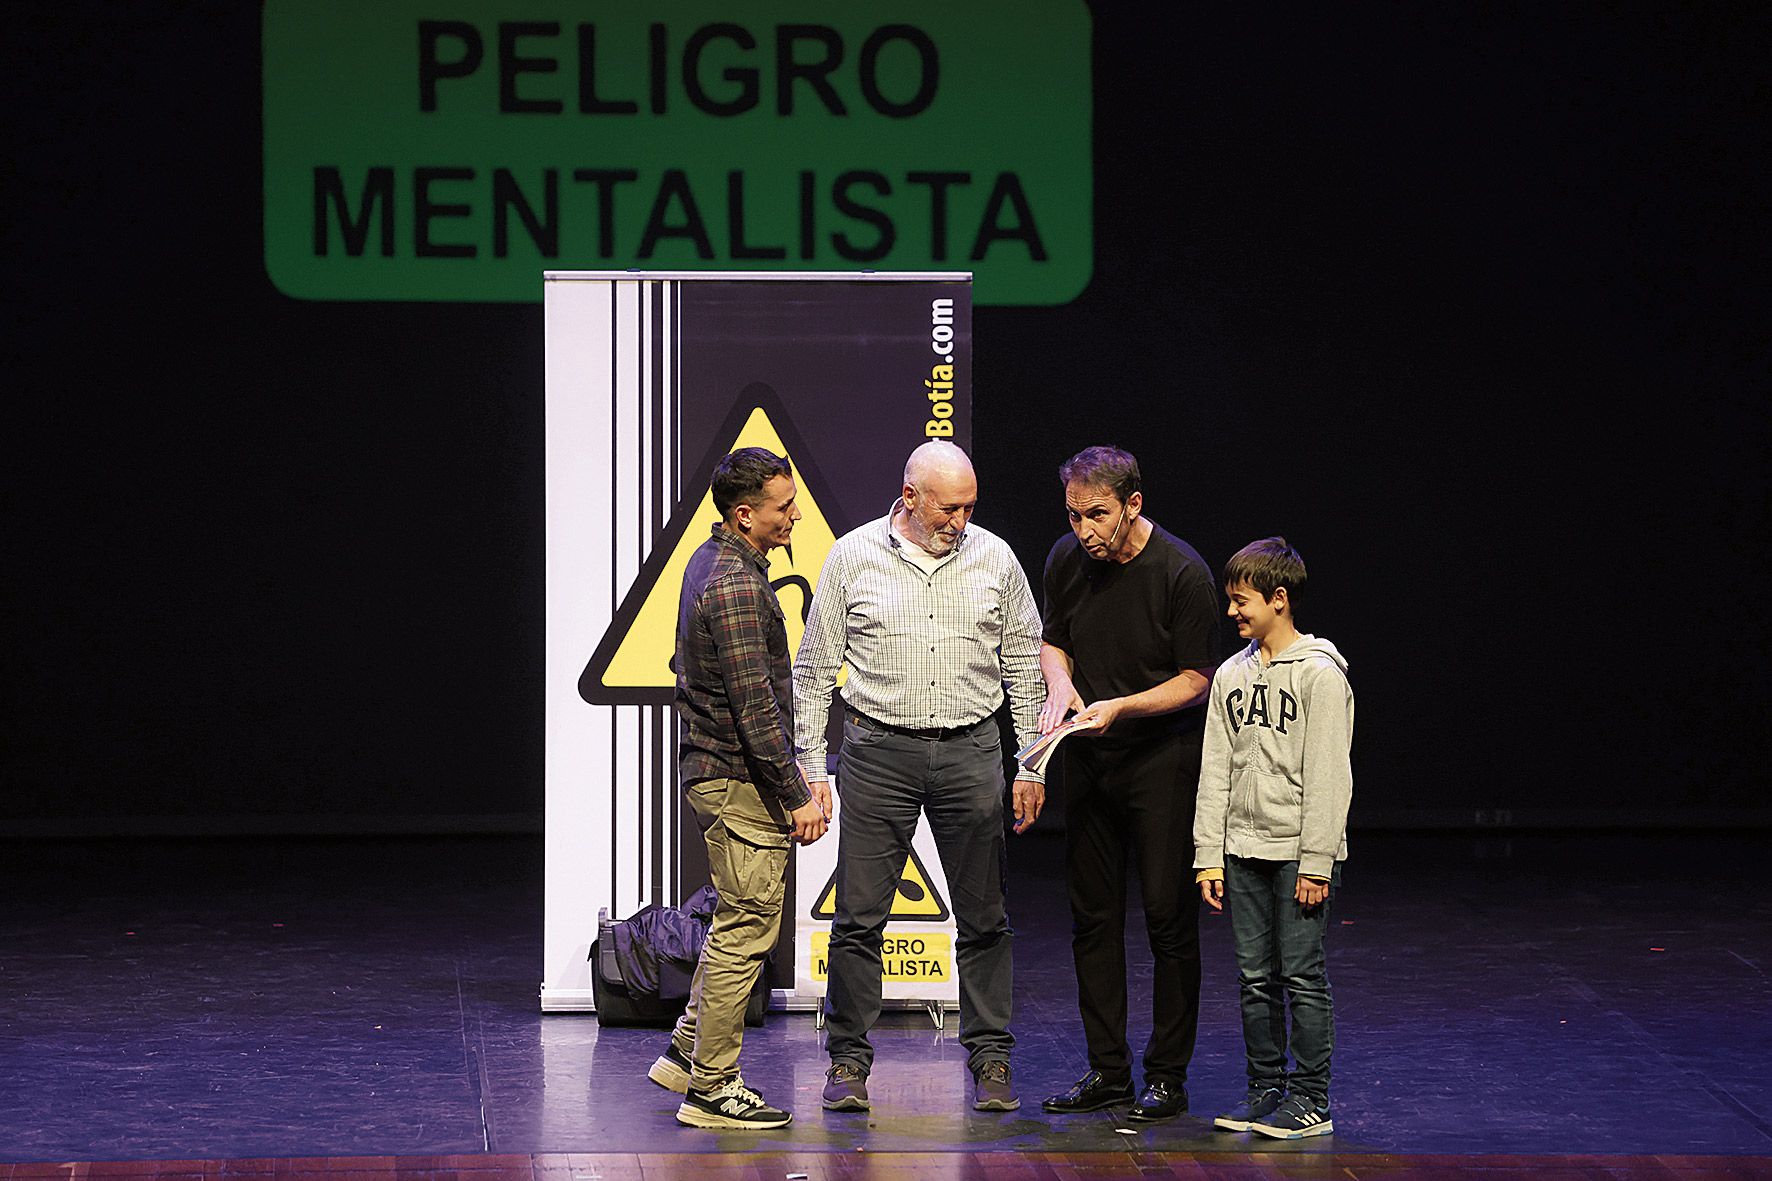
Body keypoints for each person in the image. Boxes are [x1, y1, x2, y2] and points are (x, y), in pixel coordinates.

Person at [793, 440, 1046, 1114]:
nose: (960, 518)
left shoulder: (996, 558)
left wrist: (1031, 762)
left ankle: (991, 1060)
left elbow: (1024, 665)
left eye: (969, 505)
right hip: (879, 752)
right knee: (858, 918)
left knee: (985, 917)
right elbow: (815, 670)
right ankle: (847, 1062)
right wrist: (812, 765)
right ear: (909, 496)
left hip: (971, 750)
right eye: (948, 505)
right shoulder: (852, 555)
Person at [647, 447, 832, 1130]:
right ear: (744, 512)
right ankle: (713, 1088)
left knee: (737, 917)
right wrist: (797, 795)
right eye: (784, 506)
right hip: (735, 778)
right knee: (748, 925)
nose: (796, 515)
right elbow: (755, 709)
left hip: (722, 771)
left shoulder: (712, 560)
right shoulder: (734, 583)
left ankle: (688, 1049)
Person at [1036, 446, 1223, 1122]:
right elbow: (1053, 639)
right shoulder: (1065, 559)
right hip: (1089, 757)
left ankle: (1167, 1074)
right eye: (1074, 514)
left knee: (1169, 919)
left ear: (1133, 505)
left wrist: (1121, 706)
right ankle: (1107, 1071)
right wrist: (1061, 685)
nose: (1084, 529)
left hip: (1159, 761)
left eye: (1098, 514)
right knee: (1093, 918)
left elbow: (1196, 677)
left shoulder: (1181, 570)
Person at [1193, 537, 1353, 1140]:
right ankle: (1266, 1089)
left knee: (1302, 976)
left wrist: (1316, 862)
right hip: (1243, 851)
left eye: (1241, 601)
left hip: (1297, 855)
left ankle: (1311, 1098)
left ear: (1278, 600)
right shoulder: (1231, 675)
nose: (1231, 612)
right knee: (1254, 977)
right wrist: (1208, 855)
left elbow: (1330, 778)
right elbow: (1216, 769)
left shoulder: (1319, 675)